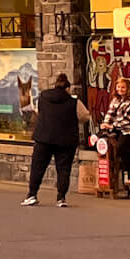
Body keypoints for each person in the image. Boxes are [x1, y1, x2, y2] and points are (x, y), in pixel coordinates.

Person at [25, 73, 84, 207]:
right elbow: (84, 116)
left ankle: (32, 194)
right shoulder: (73, 101)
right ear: (67, 88)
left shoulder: (43, 97)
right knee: (63, 169)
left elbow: (38, 111)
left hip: (43, 137)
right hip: (66, 140)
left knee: (38, 167)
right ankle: (61, 198)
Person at [100, 67, 130, 194]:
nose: (120, 90)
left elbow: (127, 119)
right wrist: (105, 123)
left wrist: (111, 126)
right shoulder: (115, 100)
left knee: (120, 147)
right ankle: (126, 173)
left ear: (128, 88)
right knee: (105, 142)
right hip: (119, 130)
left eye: (123, 87)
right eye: (118, 87)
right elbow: (110, 113)